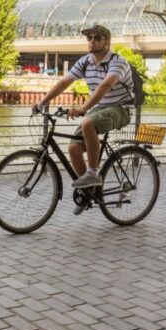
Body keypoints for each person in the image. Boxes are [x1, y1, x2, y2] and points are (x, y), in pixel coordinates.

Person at [34, 24, 134, 213]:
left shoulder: (117, 62)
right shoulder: (85, 62)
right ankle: (90, 192)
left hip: (120, 109)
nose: (92, 41)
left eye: (97, 38)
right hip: (98, 110)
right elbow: (64, 82)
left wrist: (83, 108)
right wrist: (42, 102)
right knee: (73, 148)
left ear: (107, 41)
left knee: (88, 123)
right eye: (89, 38)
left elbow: (105, 86)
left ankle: (93, 173)